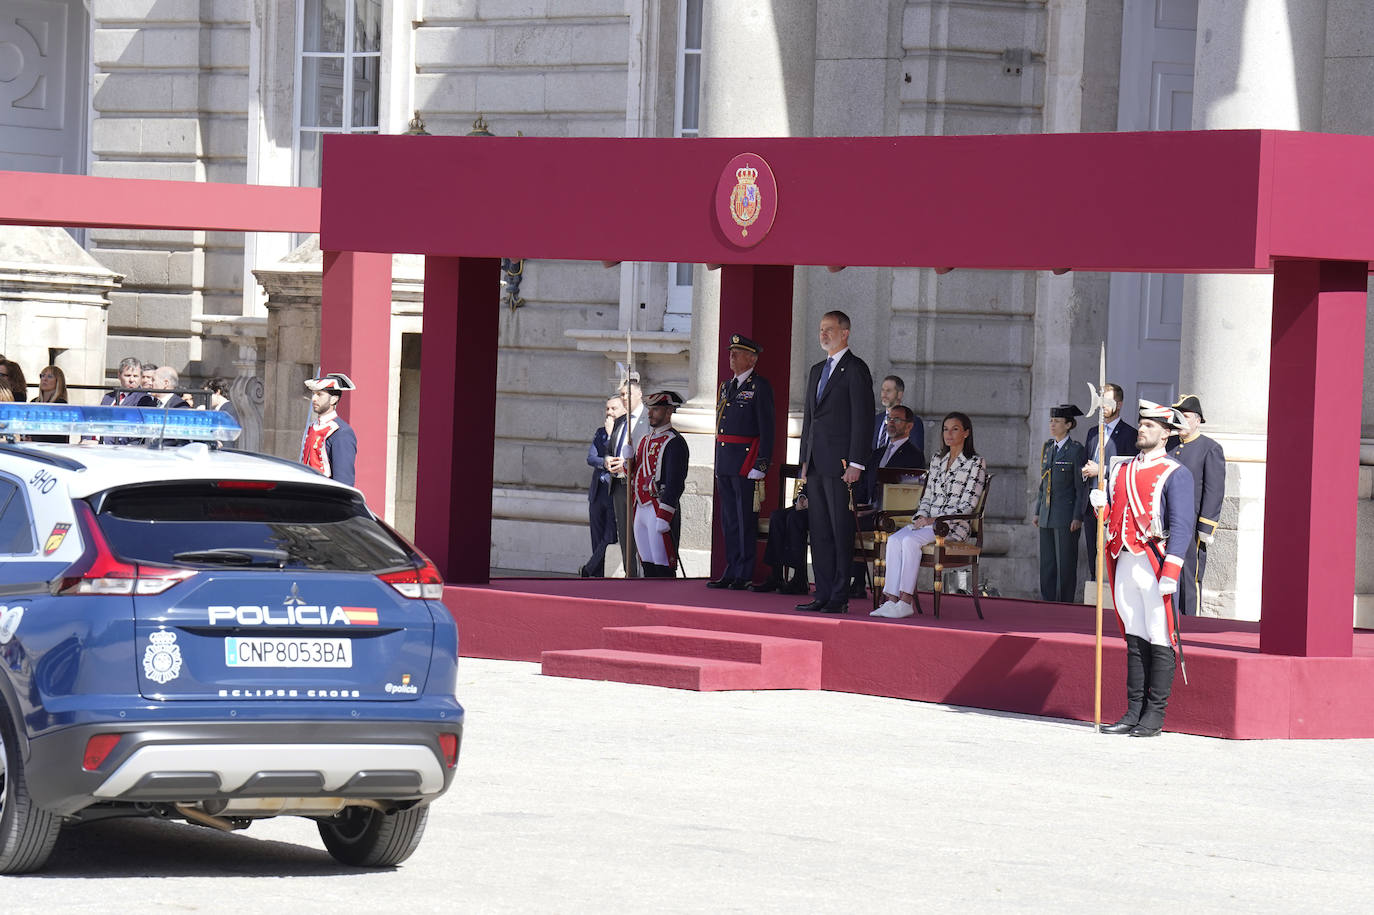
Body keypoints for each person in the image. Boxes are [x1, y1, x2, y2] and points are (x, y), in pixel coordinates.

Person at [1088, 400, 1195, 737]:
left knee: (1160, 636)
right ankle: (1133, 710)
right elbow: (1114, 517)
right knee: (1133, 636)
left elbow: (1181, 526)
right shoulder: (1119, 469)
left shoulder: (1175, 472)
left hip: (1154, 563)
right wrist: (1100, 509)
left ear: (1166, 433)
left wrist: (1172, 571)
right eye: (1142, 424)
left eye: (1150, 426)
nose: (1143, 429)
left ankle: (1155, 715)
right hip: (1124, 560)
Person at [871, 412, 988, 619]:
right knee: (895, 540)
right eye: (945, 429)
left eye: (955, 429)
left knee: (908, 541)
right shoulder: (937, 459)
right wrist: (920, 517)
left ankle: (906, 601)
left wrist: (933, 520)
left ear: (966, 433)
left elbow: (968, 505)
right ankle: (891, 600)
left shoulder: (975, 462)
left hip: (950, 527)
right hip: (926, 523)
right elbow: (927, 496)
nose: (948, 434)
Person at [796, 310, 874, 613]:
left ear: (845, 332)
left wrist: (857, 463)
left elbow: (862, 419)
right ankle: (823, 592)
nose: (823, 334)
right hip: (816, 462)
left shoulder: (855, 369)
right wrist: (804, 458)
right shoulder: (817, 369)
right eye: (820, 330)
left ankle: (839, 596)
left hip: (842, 466)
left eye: (829, 329)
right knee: (819, 531)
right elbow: (810, 419)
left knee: (840, 530)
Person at [709, 334, 775, 590]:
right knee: (729, 520)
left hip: (746, 461)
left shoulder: (760, 387)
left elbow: (767, 429)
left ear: (752, 358)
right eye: (731, 352)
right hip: (726, 461)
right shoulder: (726, 386)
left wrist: (761, 464)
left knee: (745, 519)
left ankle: (744, 572)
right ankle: (731, 568)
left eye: (737, 352)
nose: (732, 356)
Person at [848, 404, 928, 596]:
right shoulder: (877, 453)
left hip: (892, 516)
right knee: (843, 519)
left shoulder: (914, 456)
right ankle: (854, 581)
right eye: (889, 419)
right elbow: (863, 484)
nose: (891, 423)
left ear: (909, 426)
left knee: (851, 524)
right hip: (869, 510)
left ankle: (856, 582)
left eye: (897, 419)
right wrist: (856, 505)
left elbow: (910, 492)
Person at [1167, 394, 1226, 616]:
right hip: (1166, 522)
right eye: (1178, 415)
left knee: (1189, 575)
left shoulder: (1209, 448)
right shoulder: (1169, 445)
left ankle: (1190, 620)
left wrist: (1206, 526)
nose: (1181, 420)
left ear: (1198, 420)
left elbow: (1214, 490)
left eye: (1186, 416)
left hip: (1191, 524)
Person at [1080, 383, 1137, 583]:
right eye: (1101, 401)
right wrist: (1085, 472)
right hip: (1090, 504)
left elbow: (1129, 469)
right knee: (1093, 555)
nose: (1103, 405)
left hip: (1112, 504)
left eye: (1108, 401)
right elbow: (1087, 461)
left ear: (1119, 404)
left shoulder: (1130, 434)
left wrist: (1101, 471)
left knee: (1111, 554)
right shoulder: (1093, 433)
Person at [1034, 404, 1088, 602]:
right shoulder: (1048, 448)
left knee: (1065, 563)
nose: (1052, 424)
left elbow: (1080, 488)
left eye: (1057, 421)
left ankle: (1064, 602)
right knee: (1047, 562)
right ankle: (1047, 599)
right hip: (1047, 514)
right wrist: (1038, 511)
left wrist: (1077, 516)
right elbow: (1044, 482)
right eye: (1051, 421)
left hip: (1066, 515)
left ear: (1068, 425)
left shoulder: (1075, 450)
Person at [632, 390, 689, 577]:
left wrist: (665, 514)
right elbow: (635, 473)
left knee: (662, 563)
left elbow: (675, 481)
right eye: (650, 409)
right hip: (641, 506)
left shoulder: (675, 442)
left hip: (659, 507)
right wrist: (627, 462)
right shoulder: (644, 441)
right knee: (646, 562)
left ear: (668, 411)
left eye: (656, 409)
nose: (650, 413)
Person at [580, 396, 624, 578]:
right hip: (598, 492)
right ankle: (596, 575)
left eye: (613, 408)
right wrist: (605, 462)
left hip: (614, 491)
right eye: (607, 409)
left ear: (624, 410)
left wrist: (612, 434)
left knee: (610, 535)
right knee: (597, 536)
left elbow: (616, 453)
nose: (609, 412)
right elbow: (591, 458)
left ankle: (590, 569)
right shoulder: (600, 432)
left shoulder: (623, 432)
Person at [606, 379, 645, 577]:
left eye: (628, 394)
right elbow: (609, 449)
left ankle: (645, 575)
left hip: (639, 487)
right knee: (624, 534)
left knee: (640, 534)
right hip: (619, 485)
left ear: (639, 394)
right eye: (621, 395)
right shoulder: (621, 421)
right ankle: (630, 574)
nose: (624, 398)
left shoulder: (647, 419)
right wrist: (607, 460)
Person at [301, 372, 357, 486]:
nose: (314, 399)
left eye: (319, 394)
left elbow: (343, 481)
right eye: (313, 394)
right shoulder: (313, 427)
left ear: (333, 400)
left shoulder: (341, 432)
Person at [874, 375, 923, 454]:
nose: (884, 394)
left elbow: (916, 454)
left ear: (899, 394)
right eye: (882, 390)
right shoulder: (876, 420)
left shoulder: (913, 421)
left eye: (888, 391)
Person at [28, 365, 70, 444]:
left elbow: (57, 435)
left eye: (50, 376)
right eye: (42, 376)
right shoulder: (33, 402)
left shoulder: (60, 404)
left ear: (58, 382)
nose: (44, 379)